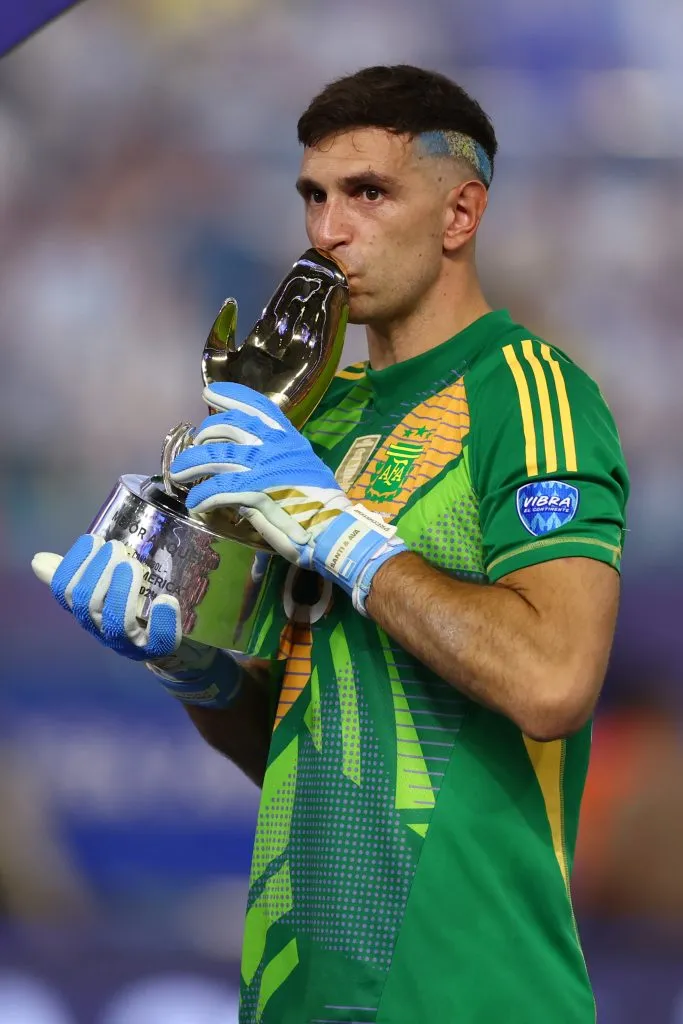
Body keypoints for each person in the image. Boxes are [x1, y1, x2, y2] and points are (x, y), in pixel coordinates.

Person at [33, 65, 629, 1023]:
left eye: (368, 193)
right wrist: (191, 665)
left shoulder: (528, 391)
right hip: (297, 994)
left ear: (459, 212)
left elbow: (553, 679)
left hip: (473, 993)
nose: (326, 230)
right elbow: (299, 741)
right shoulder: (315, 424)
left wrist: (344, 535)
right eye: (313, 195)